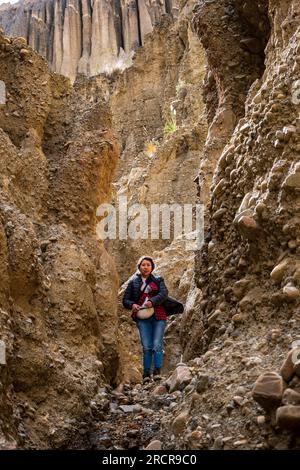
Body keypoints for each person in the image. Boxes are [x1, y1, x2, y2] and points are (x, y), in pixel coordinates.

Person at [122, 255, 169, 383]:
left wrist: (152, 301)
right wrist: (133, 304)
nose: (146, 267)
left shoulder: (159, 280)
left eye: (148, 265)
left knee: (157, 344)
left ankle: (157, 372)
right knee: (147, 346)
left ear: (152, 267)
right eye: (143, 265)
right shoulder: (133, 283)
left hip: (159, 315)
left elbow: (164, 294)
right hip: (142, 318)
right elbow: (125, 300)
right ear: (139, 267)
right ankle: (146, 374)